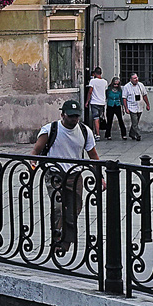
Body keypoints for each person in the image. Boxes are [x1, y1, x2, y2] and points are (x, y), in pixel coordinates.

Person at [31, 98, 101, 257]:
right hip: (54, 173)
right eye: (70, 116)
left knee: (74, 208)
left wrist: (100, 177)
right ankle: (57, 239)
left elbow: (93, 156)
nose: (74, 119)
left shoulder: (85, 131)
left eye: (76, 116)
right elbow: (36, 151)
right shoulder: (50, 129)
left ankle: (66, 242)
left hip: (75, 174)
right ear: (62, 115)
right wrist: (32, 164)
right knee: (58, 206)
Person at [122, 72, 151, 141]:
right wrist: (126, 108)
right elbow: (124, 98)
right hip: (132, 107)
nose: (136, 79)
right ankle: (138, 135)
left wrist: (147, 104)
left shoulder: (141, 85)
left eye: (137, 77)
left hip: (139, 106)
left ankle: (131, 133)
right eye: (134, 78)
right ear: (131, 79)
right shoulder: (126, 87)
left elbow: (144, 95)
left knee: (136, 122)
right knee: (135, 122)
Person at [86, 67, 108, 139]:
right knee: (99, 118)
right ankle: (96, 132)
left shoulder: (92, 81)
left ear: (95, 73)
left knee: (95, 118)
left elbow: (90, 91)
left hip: (94, 102)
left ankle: (97, 134)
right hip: (102, 102)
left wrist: (87, 101)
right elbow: (105, 91)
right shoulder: (105, 82)